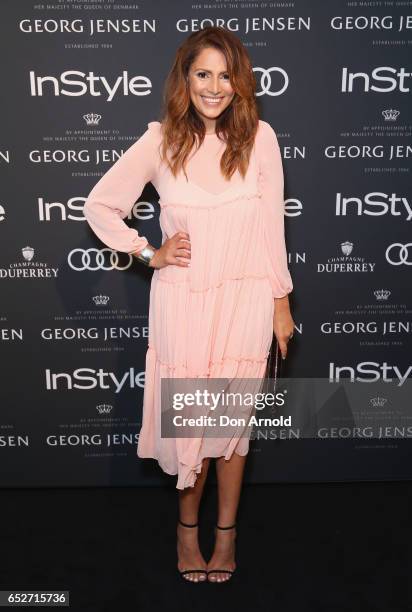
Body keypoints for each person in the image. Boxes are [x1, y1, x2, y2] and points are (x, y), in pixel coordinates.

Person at [83, 26, 295, 584]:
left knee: (233, 426)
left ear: (240, 83)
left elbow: (273, 229)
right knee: (192, 423)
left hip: (246, 297)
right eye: (204, 73)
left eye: (227, 75)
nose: (215, 87)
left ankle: (225, 533)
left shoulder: (261, 139)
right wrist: (147, 252)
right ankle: (185, 529)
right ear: (185, 78)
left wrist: (280, 303)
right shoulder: (160, 142)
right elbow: (100, 205)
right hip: (184, 300)